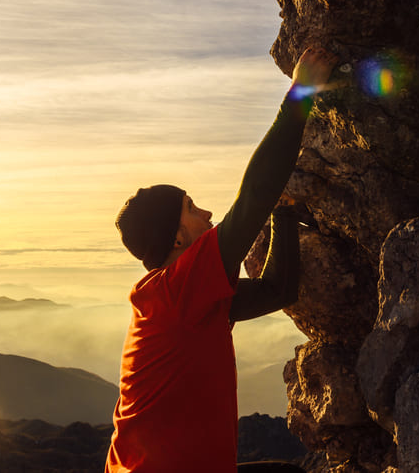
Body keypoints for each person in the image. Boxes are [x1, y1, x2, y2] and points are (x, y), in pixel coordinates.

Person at [105, 46, 337, 473]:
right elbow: (250, 201)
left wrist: (284, 213)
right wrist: (300, 92)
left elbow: (275, 291)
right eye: (192, 208)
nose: (207, 215)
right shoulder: (175, 289)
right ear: (176, 237)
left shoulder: (181, 300)